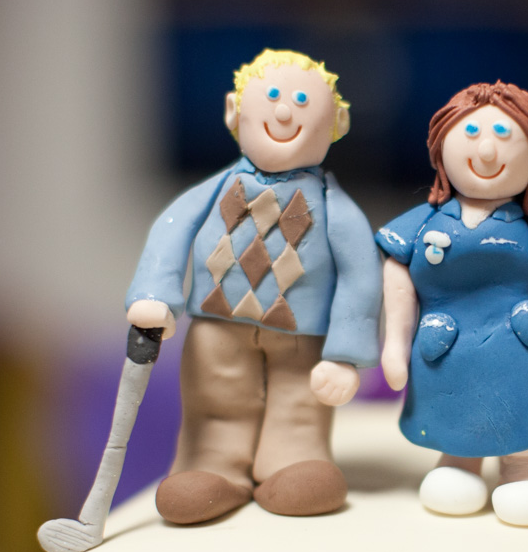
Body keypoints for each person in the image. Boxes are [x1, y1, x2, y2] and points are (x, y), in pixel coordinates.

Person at [127, 49, 381, 524]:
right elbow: (169, 234)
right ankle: (211, 463)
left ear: (338, 123)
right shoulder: (211, 192)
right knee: (216, 402)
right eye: (273, 96)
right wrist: (155, 295)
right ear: (233, 111)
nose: (284, 112)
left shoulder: (336, 209)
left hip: (303, 340)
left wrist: (345, 354)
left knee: (299, 406)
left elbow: (361, 276)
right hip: (216, 331)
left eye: (301, 101)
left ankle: (294, 460)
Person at [375, 81, 528, 526]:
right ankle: (458, 463)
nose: (488, 151)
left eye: (503, 135)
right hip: (446, 348)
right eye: (472, 134)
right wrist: (394, 344)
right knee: (455, 415)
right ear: (442, 147)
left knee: (527, 411)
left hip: (522, 346)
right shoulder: (423, 223)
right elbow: (397, 277)